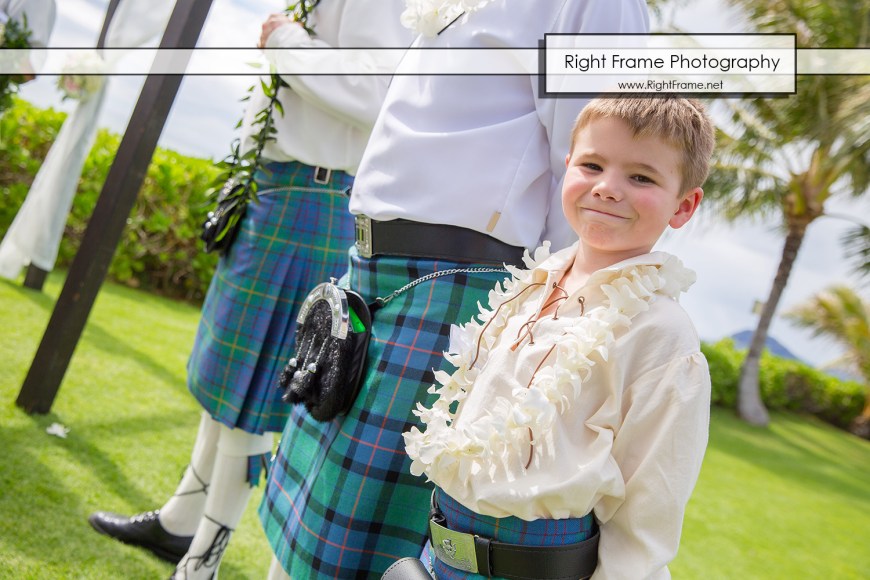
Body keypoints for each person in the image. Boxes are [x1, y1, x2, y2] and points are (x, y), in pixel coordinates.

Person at [259, 1, 651, 577]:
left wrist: (550, 311)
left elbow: (593, 161)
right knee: (305, 543)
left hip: (464, 286)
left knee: (376, 558)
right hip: (375, 265)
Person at [87, 3, 413, 579]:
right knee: (229, 384)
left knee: (253, 392)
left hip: (311, 194)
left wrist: (285, 39)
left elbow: (378, 90)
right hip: (276, 187)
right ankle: (180, 523)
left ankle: (200, 564)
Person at [404, 96, 714, 579]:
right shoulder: (527, 288)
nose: (608, 189)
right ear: (568, 167)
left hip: (536, 562)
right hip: (441, 548)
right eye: (592, 165)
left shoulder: (662, 336)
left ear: (684, 205)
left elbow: (649, 511)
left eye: (642, 177)